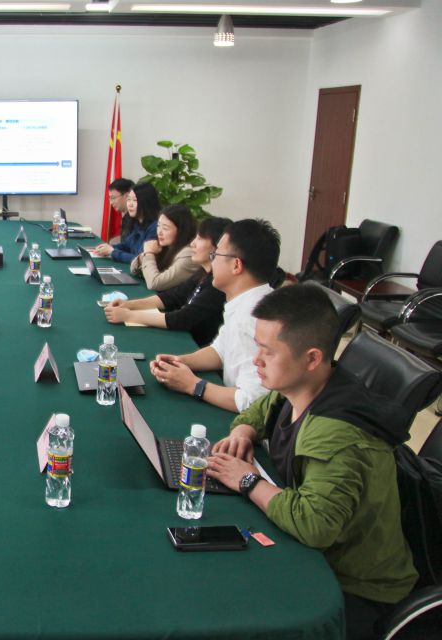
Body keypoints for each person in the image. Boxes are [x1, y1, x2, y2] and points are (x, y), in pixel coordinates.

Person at [207, 284, 417, 640]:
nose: (256, 360)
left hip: (355, 589)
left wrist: (248, 481)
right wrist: (243, 431)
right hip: (321, 554)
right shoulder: (306, 386)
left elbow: (315, 524)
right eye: (257, 346)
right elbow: (261, 408)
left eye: (268, 352)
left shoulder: (334, 432)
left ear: (312, 358)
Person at [148, 218, 279, 412]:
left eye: (216, 254)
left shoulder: (254, 319)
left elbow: (252, 401)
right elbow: (220, 351)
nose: (212, 260)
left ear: (236, 265)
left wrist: (192, 385)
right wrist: (179, 362)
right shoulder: (246, 301)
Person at [105, 216, 231, 346]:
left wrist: (129, 316)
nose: (192, 243)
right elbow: (173, 297)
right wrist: (128, 305)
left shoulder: (217, 284)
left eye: (199, 239)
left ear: (218, 247)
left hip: (194, 346)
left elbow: (183, 318)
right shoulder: (202, 272)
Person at [129, 204, 201, 291]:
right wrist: (145, 255)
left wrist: (149, 254)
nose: (159, 232)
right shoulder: (166, 246)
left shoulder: (188, 255)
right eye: (158, 226)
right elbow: (133, 269)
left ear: (181, 231)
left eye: (165, 228)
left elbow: (154, 283)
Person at [93, 182, 161, 263]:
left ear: (147, 202)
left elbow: (140, 259)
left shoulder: (155, 227)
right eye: (128, 199)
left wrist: (112, 252)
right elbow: (126, 245)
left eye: (135, 200)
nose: (130, 204)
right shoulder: (136, 222)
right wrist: (108, 248)